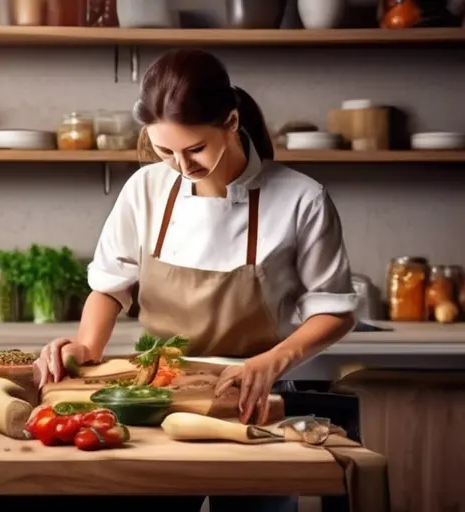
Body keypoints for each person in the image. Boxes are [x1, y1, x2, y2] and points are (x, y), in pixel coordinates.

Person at [32, 48, 357, 512]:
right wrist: (87, 347)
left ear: (230, 120)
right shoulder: (145, 188)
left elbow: (335, 311)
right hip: (153, 398)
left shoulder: (301, 199)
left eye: (195, 149)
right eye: (165, 151)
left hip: (252, 400)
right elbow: (109, 285)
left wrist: (275, 359)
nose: (182, 168)